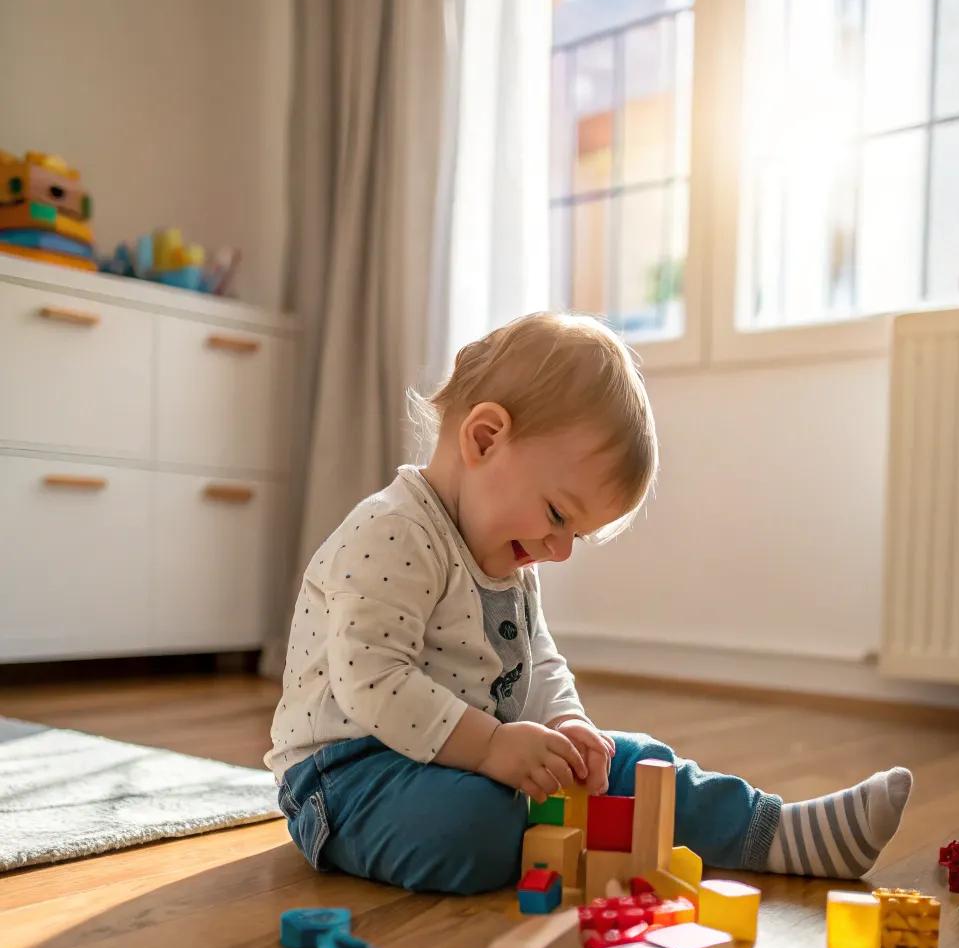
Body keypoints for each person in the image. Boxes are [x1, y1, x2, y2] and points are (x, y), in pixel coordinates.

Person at [265, 310, 911, 894]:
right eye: (557, 516)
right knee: (473, 826)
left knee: (634, 766)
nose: (560, 550)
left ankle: (774, 833)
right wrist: (492, 748)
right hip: (348, 774)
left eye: (575, 534)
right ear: (485, 438)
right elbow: (370, 680)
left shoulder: (509, 552)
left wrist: (570, 726)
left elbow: (537, 662)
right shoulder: (392, 532)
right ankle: (550, 832)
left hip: (475, 752)